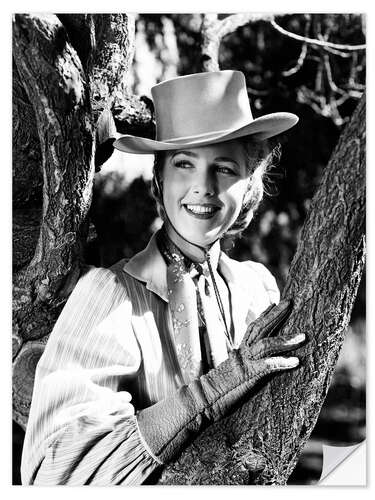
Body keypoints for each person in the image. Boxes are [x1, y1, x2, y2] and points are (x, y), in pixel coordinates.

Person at [21, 70, 305, 485]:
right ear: (159, 179)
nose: (203, 187)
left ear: (250, 188)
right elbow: (57, 472)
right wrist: (209, 393)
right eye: (184, 164)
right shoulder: (112, 298)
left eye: (225, 169)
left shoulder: (255, 289)